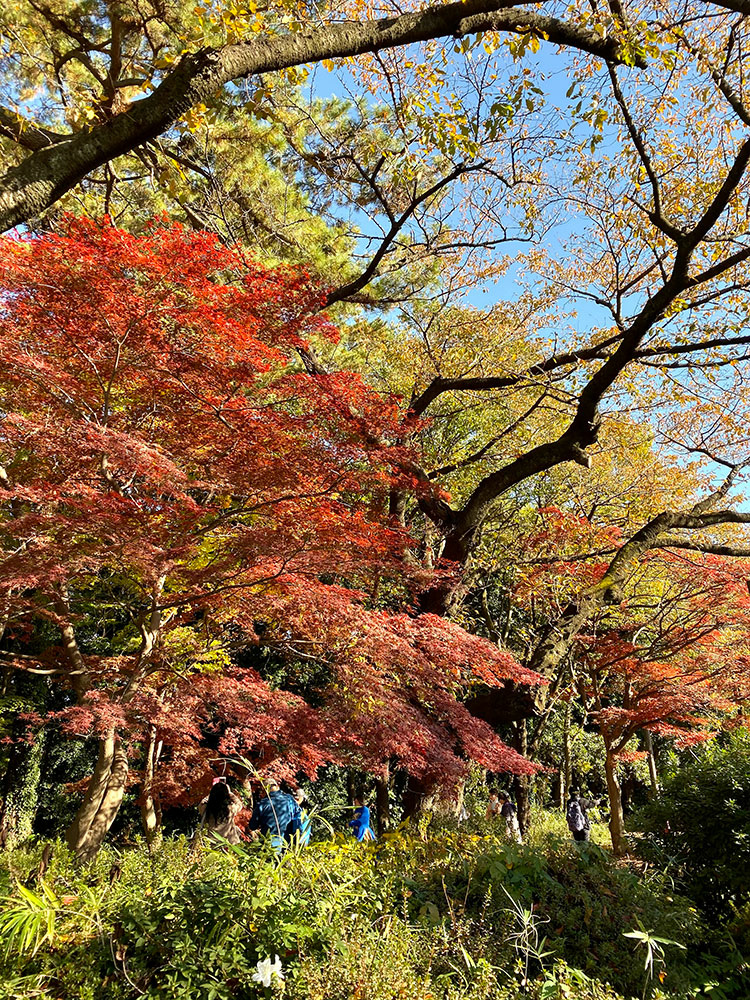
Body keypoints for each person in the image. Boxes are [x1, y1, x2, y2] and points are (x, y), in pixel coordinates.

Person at [248, 780, 302, 852]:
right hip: (287, 844)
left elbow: (253, 826)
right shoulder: (290, 800)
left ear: (265, 790)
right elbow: (297, 821)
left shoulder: (262, 804)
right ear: (278, 787)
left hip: (269, 845)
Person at [196, 777, 243, 846]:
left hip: (210, 843)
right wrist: (230, 793)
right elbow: (239, 804)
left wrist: (211, 794)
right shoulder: (230, 808)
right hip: (229, 843)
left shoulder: (206, 809)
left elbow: (201, 804)